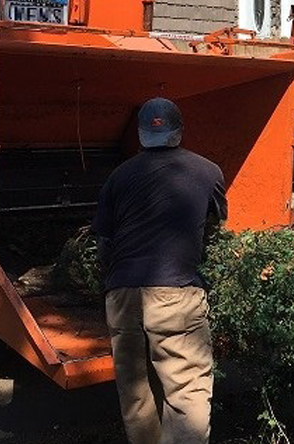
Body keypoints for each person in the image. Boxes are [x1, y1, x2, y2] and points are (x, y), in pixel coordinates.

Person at [93, 97, 226, 444]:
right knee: (186, 390)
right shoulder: (208, 170)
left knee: (135, 394)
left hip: (122, 295)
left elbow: (104, 245)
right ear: (179, 132)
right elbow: (216, 223)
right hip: (175, 293)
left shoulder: (117, 177)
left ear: (140, 136)